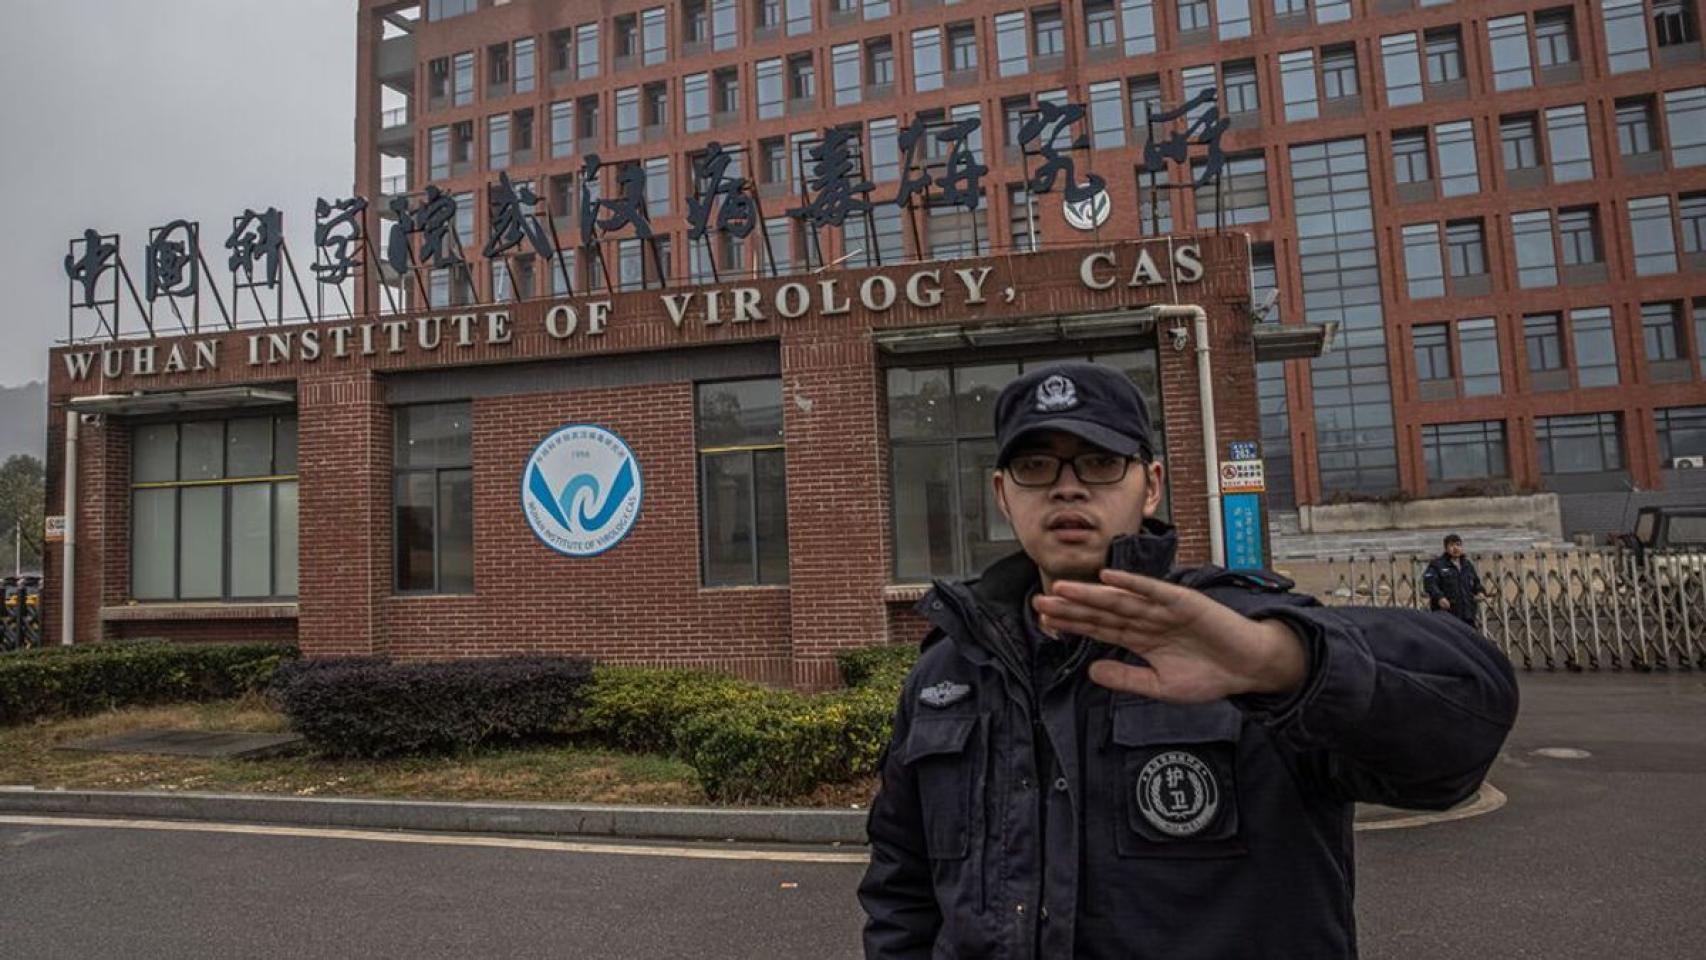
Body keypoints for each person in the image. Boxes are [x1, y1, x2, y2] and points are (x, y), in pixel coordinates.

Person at [858, 361, 1518, 960]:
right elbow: (903, 888)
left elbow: (1463, 731)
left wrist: (1286, 665)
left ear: (1150, 487)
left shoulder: (1243, 634)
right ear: (1004, 495)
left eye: (1097, 462)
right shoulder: (950, 671)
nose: (1066, 489)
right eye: (1036, 468)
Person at [1423, 534, 1489, 628]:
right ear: (1446, 548)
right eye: (1452, 545)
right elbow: (1429, 583)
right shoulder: (1437, 565)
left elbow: (1476, 583)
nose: (1455, 548)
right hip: (1447, 615)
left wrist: (1480, 592)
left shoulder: (1467, 565)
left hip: (1467, 614)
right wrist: (1439, 597)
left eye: (1458, 545)